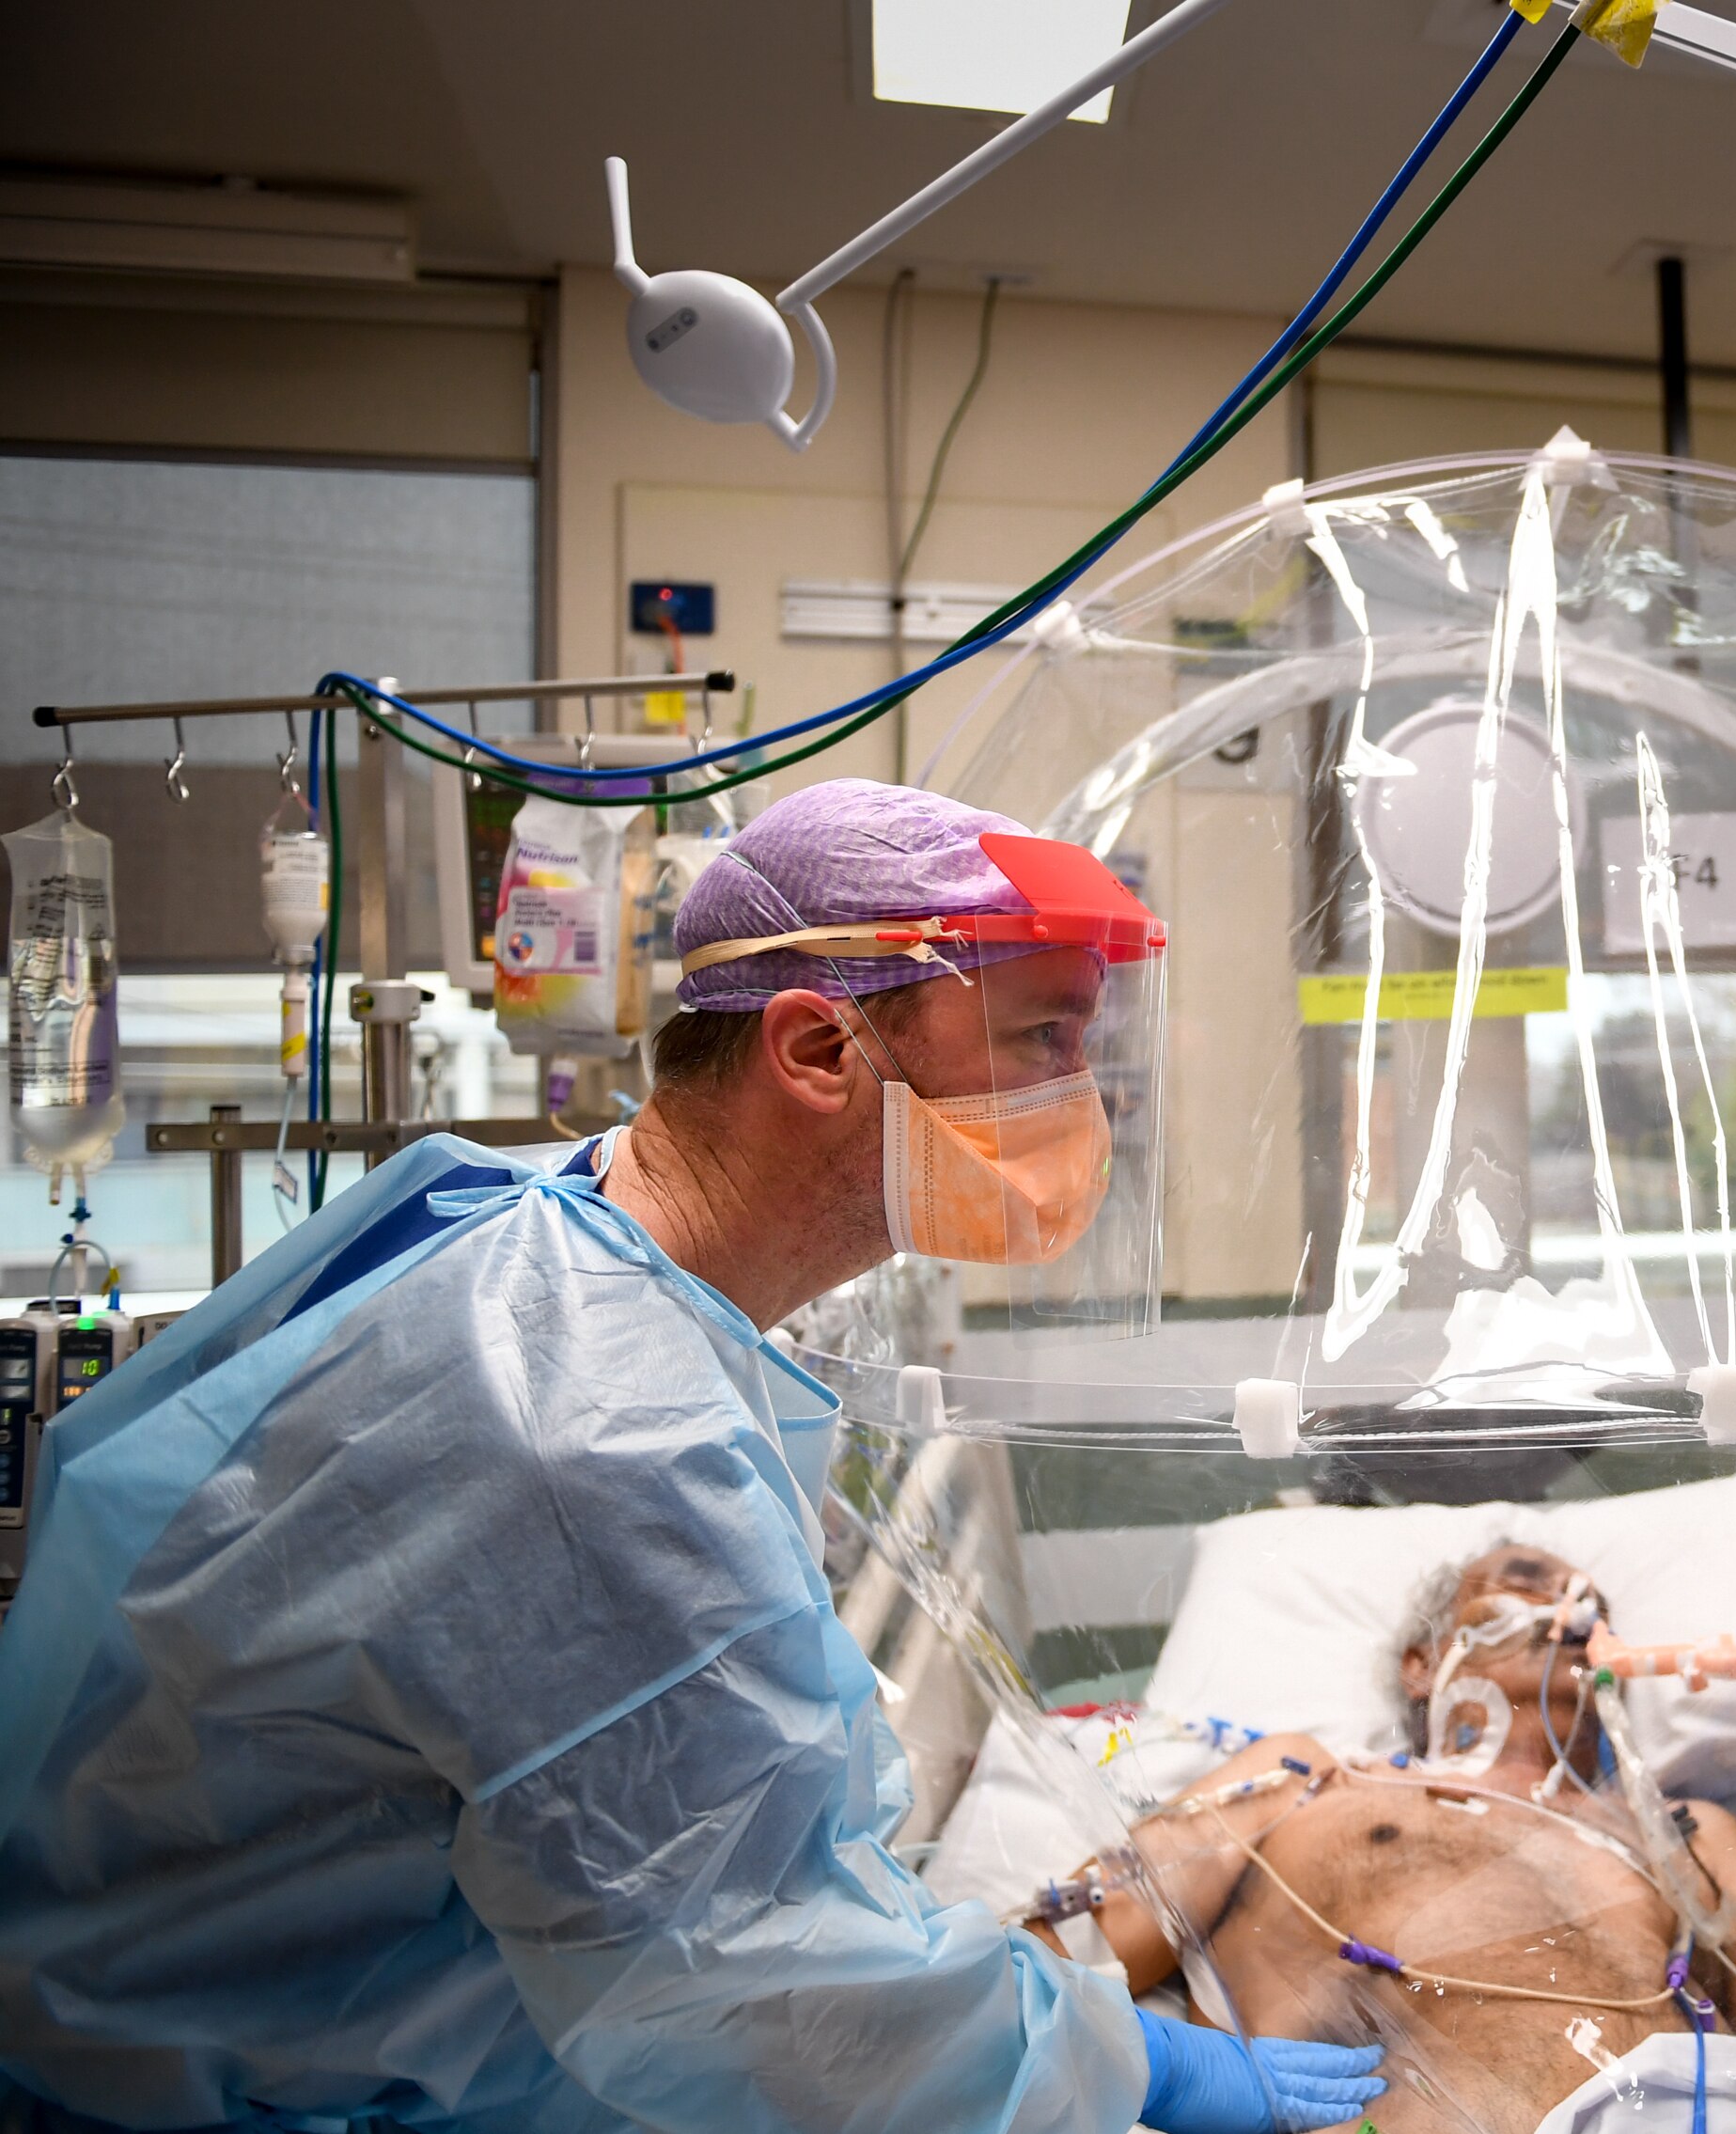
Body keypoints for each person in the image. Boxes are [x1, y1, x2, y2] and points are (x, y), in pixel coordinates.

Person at [0, 780, 1381, 2134]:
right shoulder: (593, 1427)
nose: (1086, 1105)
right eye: (1040, 1039)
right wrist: (1109, 2063)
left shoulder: (551, 1234)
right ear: (819, 1051)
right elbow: (760, 1978)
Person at [1057, 1544, 1736, 2134]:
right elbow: (1048, 1967)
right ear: (1423, 1663)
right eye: (1525, 1584)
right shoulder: (1303, 1779)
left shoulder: (1686, 1834)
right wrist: (1161, 2066)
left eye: (1590, 1600)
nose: (1567, 1606)